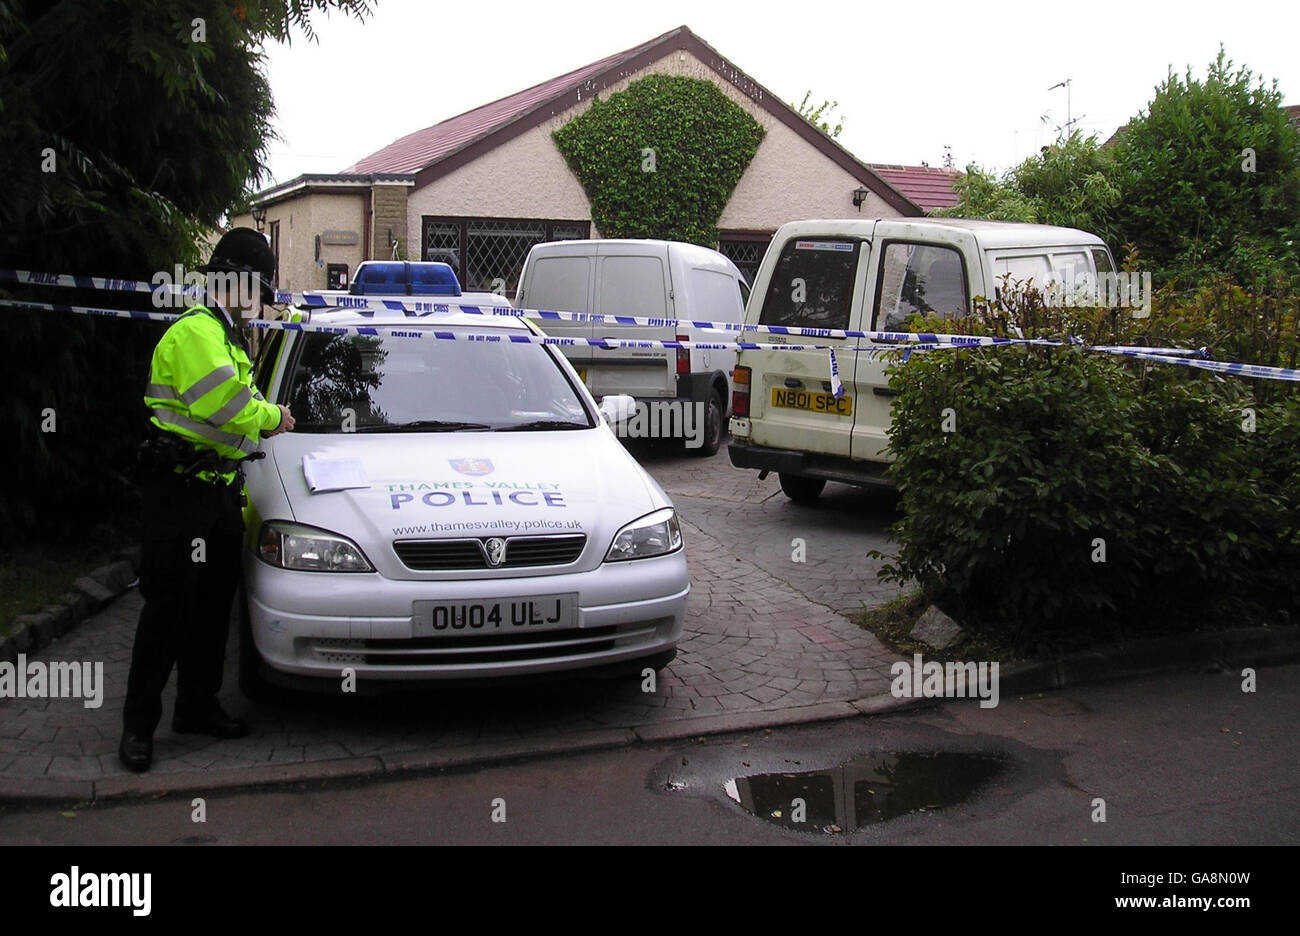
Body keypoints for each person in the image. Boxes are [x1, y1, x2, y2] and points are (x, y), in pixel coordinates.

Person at [119, 228, 294, 773]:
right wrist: (275, 419)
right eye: (260, 288)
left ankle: (197, 706)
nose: (262, 301)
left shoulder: (226, 335)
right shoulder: (198, 333)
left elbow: (243, 397)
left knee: (212, 610)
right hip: (181, 493)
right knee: (167, 609)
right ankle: (137, 729)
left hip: (218, 492)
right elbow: (231, 405)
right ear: (239, 282)